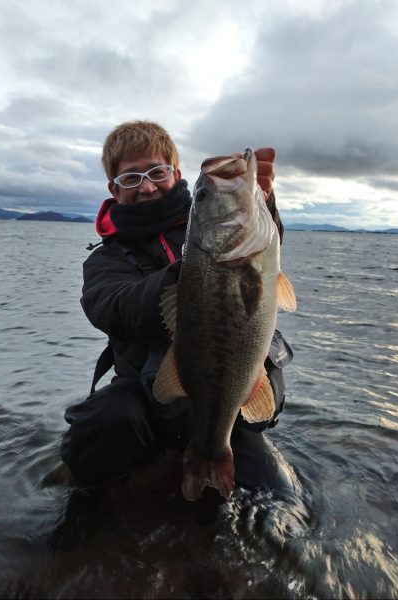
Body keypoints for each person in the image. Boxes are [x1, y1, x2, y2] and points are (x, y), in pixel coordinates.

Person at [60, 120, 293, 495]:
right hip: (147, 403)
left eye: (157, 171)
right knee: (102, 424)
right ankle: (93, 518)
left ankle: (217, 464)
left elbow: (264, 251)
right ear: (113, 189)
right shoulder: (105, 260)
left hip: (223, 399)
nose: (148, 186)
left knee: (277, 495)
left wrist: (263, 200)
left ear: (176, 173)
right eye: (131, 178)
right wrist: (195, 271)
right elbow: (116, 308)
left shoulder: (212, 223)